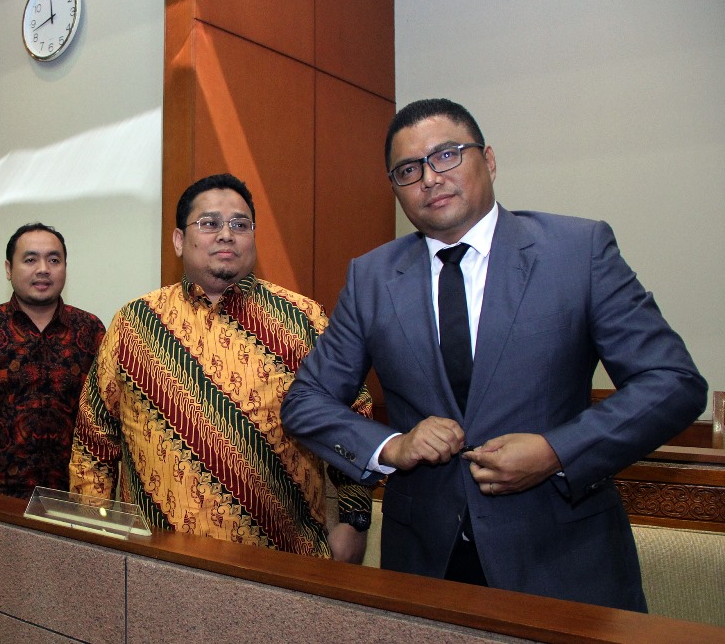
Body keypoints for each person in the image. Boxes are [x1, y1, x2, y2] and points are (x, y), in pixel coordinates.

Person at [281, 98, 707, 609]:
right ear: (395, 189)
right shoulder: (371, 277)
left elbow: (673, 382)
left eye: (446, 155)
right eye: (408, 170)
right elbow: (305, 401)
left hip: (564, 563)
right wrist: (392, 446)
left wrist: (556, 451)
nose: (430, 179)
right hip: (425, 568)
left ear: (489, 159)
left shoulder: (578, 251)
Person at [70, 173, 373, 561]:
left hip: (283, 565)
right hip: (154, 564)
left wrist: (354, 522)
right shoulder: (135, 323)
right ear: (179, 240)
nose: (226, 235)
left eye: (240, 225)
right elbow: (94, 438)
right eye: (209, 223)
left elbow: (354, 420)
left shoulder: (303, 320)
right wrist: (91, 537)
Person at [0, 223, 105, 498]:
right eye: (30, 259)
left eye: (54, 260)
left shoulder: (90, 331)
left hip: (69, 500)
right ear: (8, 269)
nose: (43, 269)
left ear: (65, 268)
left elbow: (102, 426)